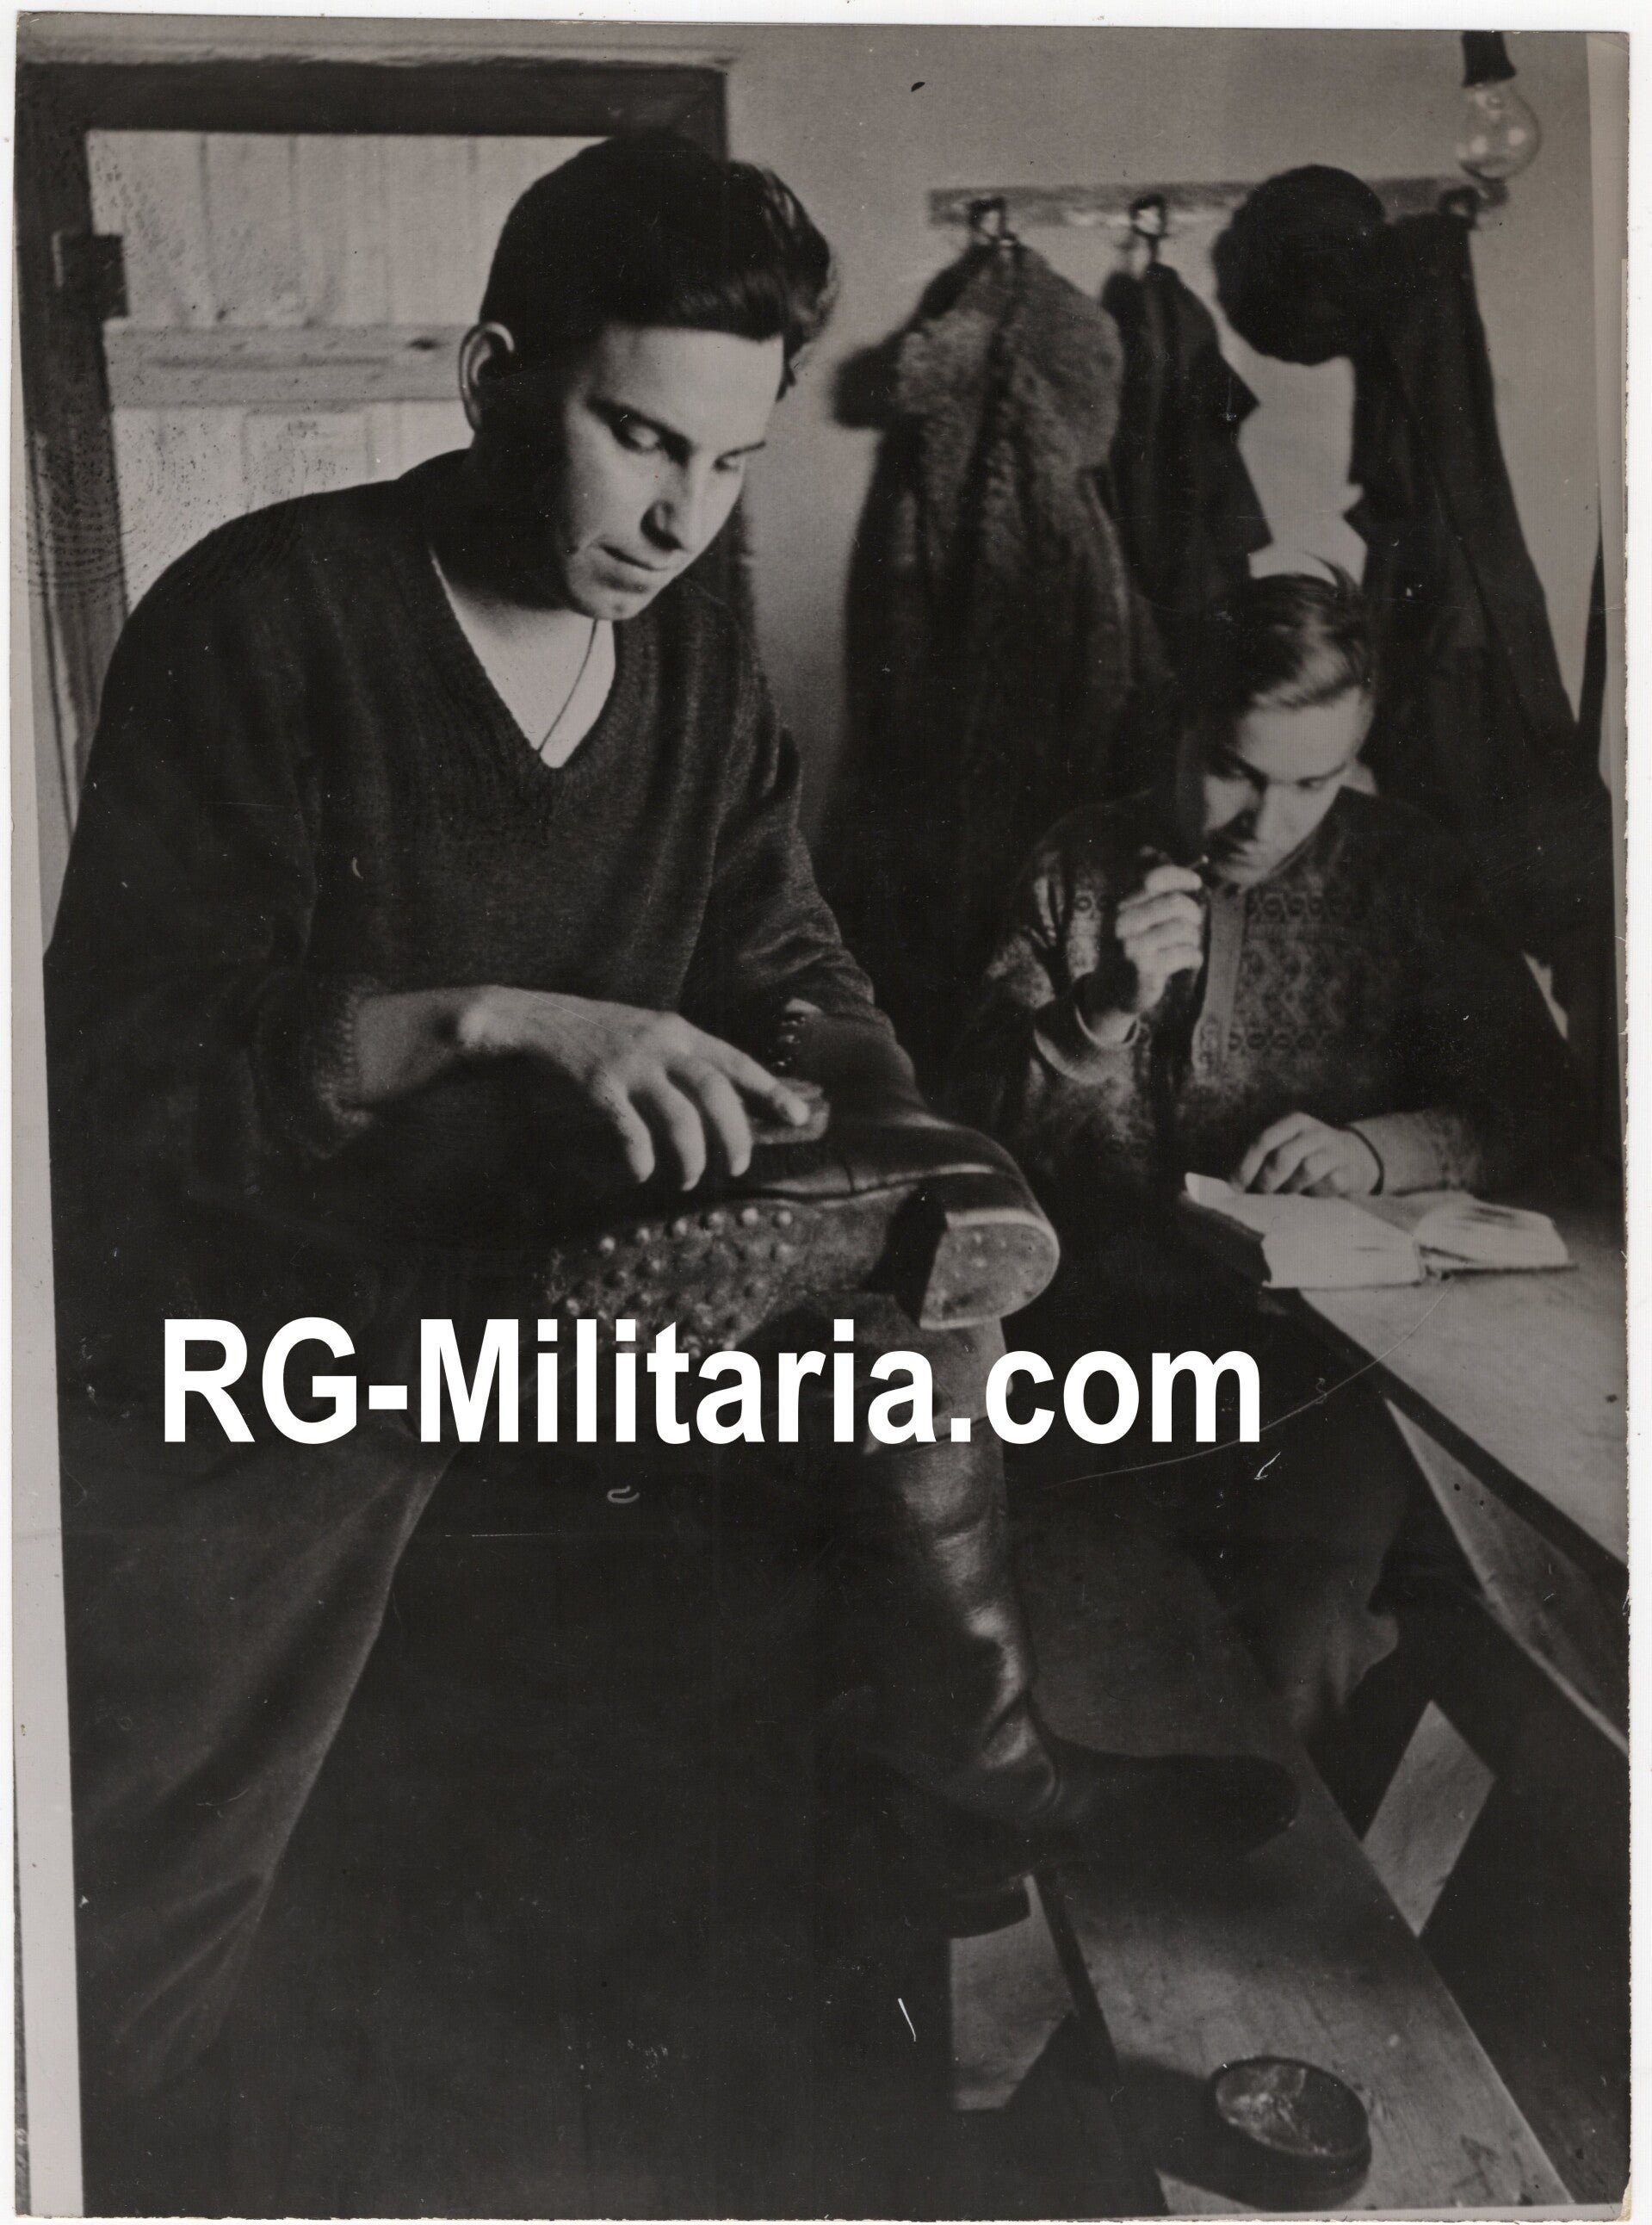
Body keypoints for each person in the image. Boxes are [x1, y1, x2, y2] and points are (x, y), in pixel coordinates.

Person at [45, 134, 1296, 2204]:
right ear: (492, 371)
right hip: (284, 1324)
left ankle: (969, 1762)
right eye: (638, 437)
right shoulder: (264, 619)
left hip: (583, 1293)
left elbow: (786, 951)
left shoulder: (696, 640)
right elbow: (110, 1088)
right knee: (153, 1931)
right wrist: (477, 1017)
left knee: (903, 1277)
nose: (679, 513)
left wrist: (882, 1116)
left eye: (729, 461)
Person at [950, 567, 1581, 1735]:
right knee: (1075, 1647)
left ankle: (1275, 1871)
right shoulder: (1076, 867)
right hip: (1099, 1354)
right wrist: (1096, 1016)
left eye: (1312, 782)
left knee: (1303, 1641)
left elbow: (1539, 1106)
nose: (1264, 821)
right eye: (1234, 770)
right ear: (1178, 722)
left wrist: (1378, 1150)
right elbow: (967, 1152)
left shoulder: (1404, 872)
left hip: (1323, 1376)